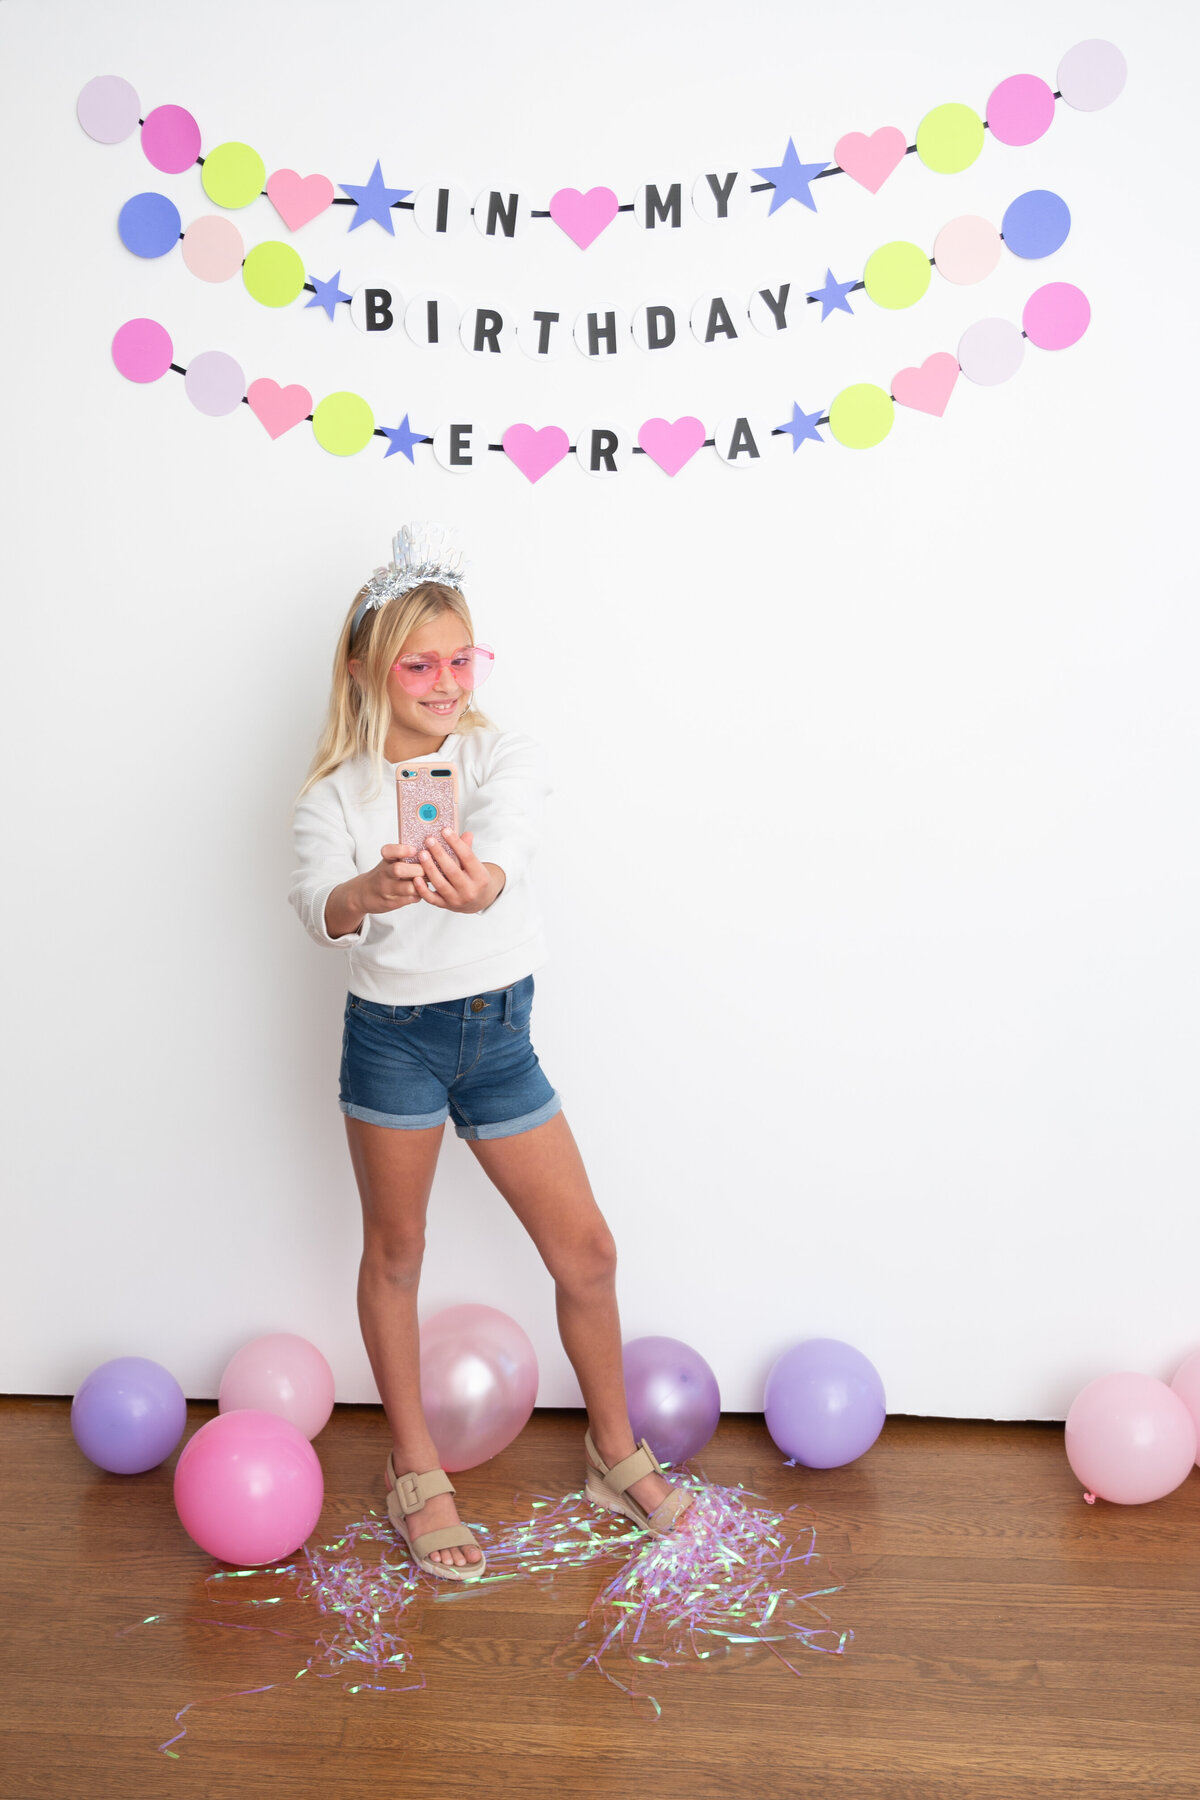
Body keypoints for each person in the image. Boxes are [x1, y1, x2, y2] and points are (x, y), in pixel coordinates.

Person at [289, 523, 695, 1582]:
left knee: (588, 1252)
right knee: (396, 1254)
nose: (443, 681)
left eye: (460, 659)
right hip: (394, 1042)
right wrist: (366, 892)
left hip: (498, 1035)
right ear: (366, 667)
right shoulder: (335, 794)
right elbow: (311, 901)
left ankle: (614, 1451)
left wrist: (488, 880)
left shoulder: (495, 753)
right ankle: (415, 1470)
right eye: (419, 664)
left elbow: (512, 829)